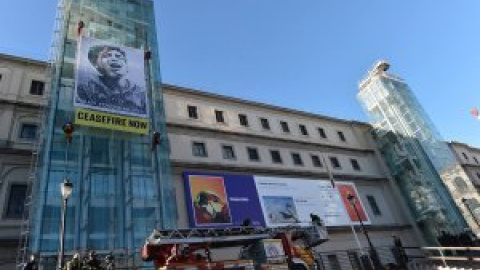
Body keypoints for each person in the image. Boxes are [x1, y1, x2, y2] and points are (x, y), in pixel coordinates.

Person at [76, 44, 146, 116]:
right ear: (97, 65)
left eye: (118, 56)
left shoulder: (141, 94)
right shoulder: (87, 89)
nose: (114, 59)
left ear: (126, 65)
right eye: (107, 56)